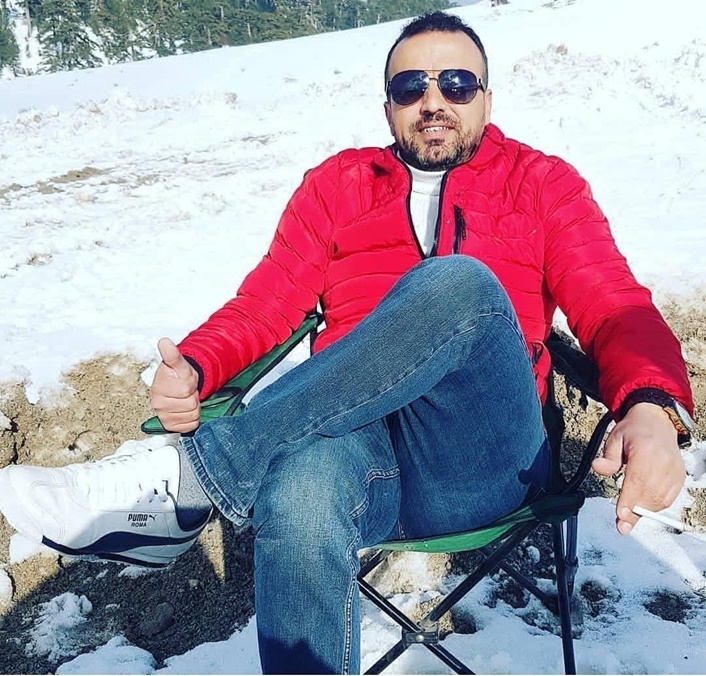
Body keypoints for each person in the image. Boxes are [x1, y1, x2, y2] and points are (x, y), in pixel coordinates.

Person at [0, 11, 695, 674]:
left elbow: (616, 306)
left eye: (457, 84)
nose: (433, 101)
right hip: (361, 456)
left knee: (458, 285)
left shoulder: (541, 185)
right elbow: (266, 303)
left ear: (487, 98)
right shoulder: (339, 186)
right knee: (301, 483)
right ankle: (201, 483)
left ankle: (191, 479)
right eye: (410, 86)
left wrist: (651, 406)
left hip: (479, 463)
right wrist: (200, 364)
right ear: (387, 107)